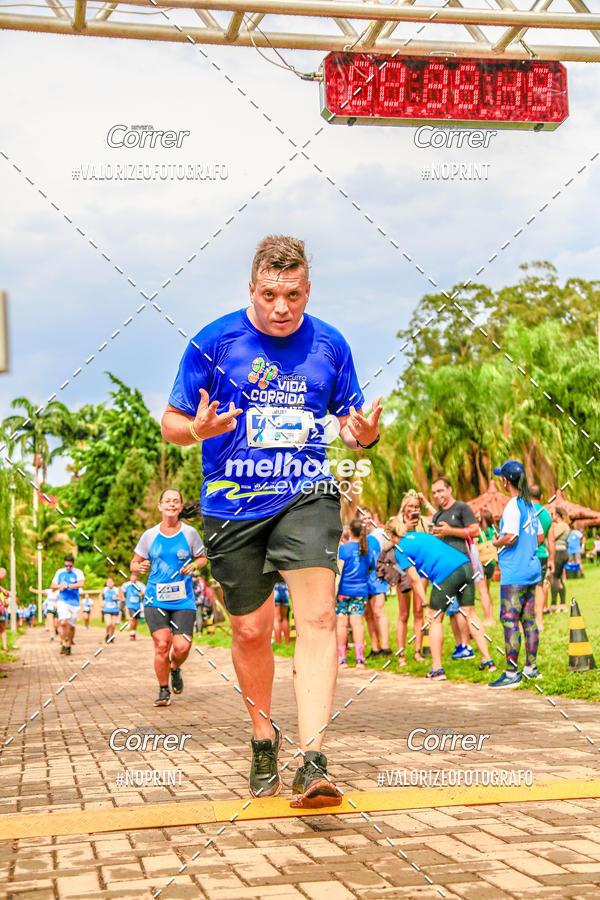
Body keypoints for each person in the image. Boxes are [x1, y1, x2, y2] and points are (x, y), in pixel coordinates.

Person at [161, 235, 381, 808]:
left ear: (307, 290)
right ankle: (264, 738)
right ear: (251, 290)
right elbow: (171, 421)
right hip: (231, 506)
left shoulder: (331, 344)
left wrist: (365, 434)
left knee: (317, 616)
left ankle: (313, 761)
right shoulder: (213, 342)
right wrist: (197, 431)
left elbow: (354, 424)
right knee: (251, 630)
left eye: (293, 295)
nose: (281, 308)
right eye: (269, 294)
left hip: (306, 494)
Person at [385, 517, 495, 680]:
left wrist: (425, 603)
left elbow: (414, 580)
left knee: (434, 618)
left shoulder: (399, 549)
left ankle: (437, 669)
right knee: (470, 614)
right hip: (465, 566)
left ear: (389, 534)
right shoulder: (421, 535)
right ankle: (488, 660)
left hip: (446, 574)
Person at [130, 488, 207, 707]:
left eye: (176, 501)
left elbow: (202, 558)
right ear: (160, 506)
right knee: (162, 645)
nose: (171, 504)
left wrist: (193, 565)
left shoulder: (190, 533)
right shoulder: (150, 535)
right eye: (167, 501)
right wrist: (140, 566)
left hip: (183, 599)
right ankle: (163, 690)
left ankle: (175, 668)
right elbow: (134, 563)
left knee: (182, 647)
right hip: (155, 599)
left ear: (181, 507)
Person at [489, 460, 544, 689]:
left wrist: (496, 541)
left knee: (510, 620)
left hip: (515, 574)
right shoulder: (529, 505)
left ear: (505, 481)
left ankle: (512, 672)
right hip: (532, 571)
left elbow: (510, 537)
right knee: (529, 620)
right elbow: (539, 537)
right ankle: (531, 668)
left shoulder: (513, 505)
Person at [431, 477, 480, 659]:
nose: (437, 495)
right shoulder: (437, 515)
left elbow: (475, 531)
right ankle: (461, 647)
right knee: (452, 611)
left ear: (449, 489)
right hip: (443, 570)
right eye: (434, 492)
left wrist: (450, 531)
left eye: (440, 491)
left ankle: (473, 649)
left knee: (466, 611)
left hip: (462, 567)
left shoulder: (462, 508)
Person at [337, 519, 376, 671]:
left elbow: (338, 570)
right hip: (360, 591)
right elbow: (371, 567)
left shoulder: (343, 550)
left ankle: (342, 659)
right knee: (357, 623)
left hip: (343, 592)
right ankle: (360, 659)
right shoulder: (367, 550)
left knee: (342, 624)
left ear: (350, 532)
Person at [394, 492, 428, 664]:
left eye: (416, 507)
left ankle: (417, 652)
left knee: (419, 611)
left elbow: (438, 517)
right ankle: (401, 655)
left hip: (421, 569)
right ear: (404, 507)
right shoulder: (395, 521)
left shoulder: (423, 522)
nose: (414, 510)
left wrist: (426, 502)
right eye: (411, 507)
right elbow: (387, 543)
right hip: (403, 570)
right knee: (404, 614)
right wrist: (405, 528)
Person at [363, 515, 392, 659]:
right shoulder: (355, 538)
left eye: (368, 518)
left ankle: (386, 648)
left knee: (378, 611)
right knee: (367, 614)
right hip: (362, 579)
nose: (366, 521)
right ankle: (375, 648)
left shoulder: (379, 534)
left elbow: (391, 544)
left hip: (378, 577)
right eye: (363, 518)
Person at [529, 484, 555, 629]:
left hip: (527, 555)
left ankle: (528, 620)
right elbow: (551, 540)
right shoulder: (546, 514)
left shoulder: (525, 511)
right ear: (541, 497)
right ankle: (539, 620)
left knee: (526, 586)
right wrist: (551, 559)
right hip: (542, 554)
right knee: (539, 586)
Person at [51, 554, 85, 656]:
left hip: (74, 602)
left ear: (73, 564)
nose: (68, 568)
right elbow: (52, 586)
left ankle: (69, 644)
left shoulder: (78, 572)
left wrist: (69, 585)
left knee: (71, 626)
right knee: (63, 622)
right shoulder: (59, 572)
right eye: (66, 566)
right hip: (63, 601)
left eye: (70, 566)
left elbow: (81, 584)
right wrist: (59, 586)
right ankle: (64, 643)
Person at [475, 508, 497, 626]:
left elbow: (474, 546)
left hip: (481, 563)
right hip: (492, 562)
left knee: (483, 592)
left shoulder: (478, 532)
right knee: (487, 592)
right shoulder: (492, 530)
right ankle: (491, 616)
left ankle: (488, 618)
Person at [550, 507, 570, 611]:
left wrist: (550, 527)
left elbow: (552, 536)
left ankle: (554, 604)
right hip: (561, 552)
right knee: (558, 578)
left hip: (558, 552)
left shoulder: (562, 525)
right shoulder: (562, 525)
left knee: (554, 577)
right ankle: (562, 603)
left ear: (557, 515)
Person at [120, 573, 146, 640]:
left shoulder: (140, 585)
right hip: (130, 605)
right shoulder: (127, 584)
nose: (133, 578)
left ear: (136, 578)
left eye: (135, 577)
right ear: (130, 578)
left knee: (137, 621)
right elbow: (121, 590)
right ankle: (132, 634)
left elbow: (145, 591)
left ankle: (133, 632)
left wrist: (141, 594)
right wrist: (123, 598)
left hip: (137, 606)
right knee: (132, 618)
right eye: (132, 577)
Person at [102, 578, 120, 643]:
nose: (109, 583)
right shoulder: (104, 589)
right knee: (108, 623)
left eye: (111, 582)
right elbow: (100, 596)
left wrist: (117, 598)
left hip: (115, 609)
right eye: (108, 582)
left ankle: (111, 636)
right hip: (106, 609)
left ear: (113, 583)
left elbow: (122, 598)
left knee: (113, 624)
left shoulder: (117, 590)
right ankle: (107, 634)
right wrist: (102, 602)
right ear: (106, 583)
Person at [273, 581, 291, 645]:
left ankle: (278, 643)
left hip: (275, 587)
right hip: (284, 588)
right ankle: (288, 643)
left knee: (276, 619)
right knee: (285, 618)